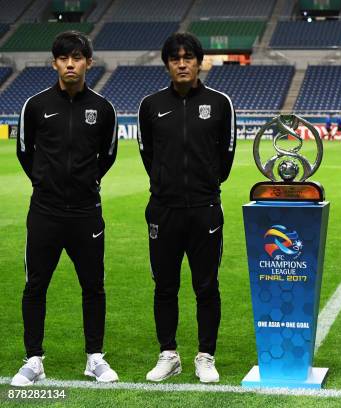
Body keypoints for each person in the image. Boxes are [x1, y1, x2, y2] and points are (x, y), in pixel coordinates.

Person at [12, 31, 118, 386]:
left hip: (87, 211)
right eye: (63, 58)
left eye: (77, 57)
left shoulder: (103, 108)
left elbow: (109, 155)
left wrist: (85, 183)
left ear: (88, 62)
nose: (70, 63)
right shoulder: (35, 105)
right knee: (35, 286)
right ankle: (33, 359)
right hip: (45, 211)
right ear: (54, 62)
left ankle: (94, 357)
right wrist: (46, 183)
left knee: (93, 286)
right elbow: (25, 153)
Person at [137, 33, 236, 383]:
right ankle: (168, 354)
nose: (182, 63)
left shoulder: (220, 103)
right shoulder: (150, 105)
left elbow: (226, 155)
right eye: (175, 58)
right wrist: (168, 185)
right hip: (163, 210)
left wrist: (204, 184)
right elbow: (148, 154)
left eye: (188, 57)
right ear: (167, 63)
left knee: (206, 286)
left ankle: (206, 356)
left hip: (205, 208)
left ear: (199, 61)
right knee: (165, 286)